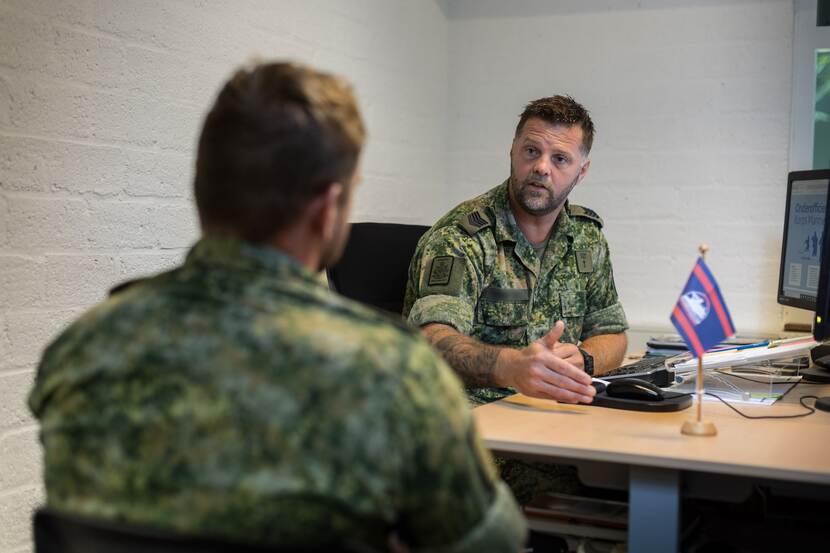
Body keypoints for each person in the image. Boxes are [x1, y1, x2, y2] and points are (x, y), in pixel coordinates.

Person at [28, 62, 526, 551]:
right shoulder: (392, 371)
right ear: (328, 209)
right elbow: (495, 541)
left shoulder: (82, 350)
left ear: (203, 189)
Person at [403, 95, 629, 503]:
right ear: (512, 151)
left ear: (582, 170)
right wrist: (512, 367)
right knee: (600, 495)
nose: (542, 167)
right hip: (472, 435)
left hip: (555, 423)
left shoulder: (586, 236)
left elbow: (612, 332)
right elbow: (430, 343)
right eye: (531, 151)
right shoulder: (460, 238)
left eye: (560, 159)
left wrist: (586, 359)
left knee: (641, 473)